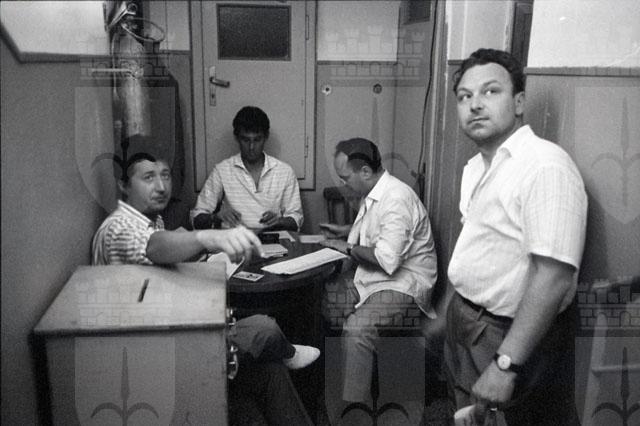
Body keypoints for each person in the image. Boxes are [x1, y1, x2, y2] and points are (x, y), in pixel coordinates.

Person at [91, 146, 318, 425]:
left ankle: (282, 361)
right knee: (265, 328)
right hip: (150, 356)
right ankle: (287, 353)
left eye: (165, 175)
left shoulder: (152, 219)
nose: (161, 186)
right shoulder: (119, 228)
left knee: (271, 371)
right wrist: (209, 237)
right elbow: (152, 246)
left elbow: (158, 258)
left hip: (169, 331)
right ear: (124, 185)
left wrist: (201, 254)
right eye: (148, 177)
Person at [445, 48, 587, 425]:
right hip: (467, 318)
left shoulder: (544, 166)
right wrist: (449, 312)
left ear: (519, 102)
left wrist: (505, 365)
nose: (475, 104)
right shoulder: (476, 167)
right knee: (467, 413)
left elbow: (553, 277)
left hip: (505, 335)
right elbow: (476, 245)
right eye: (465, 96)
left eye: (491, 91)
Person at [319, 138, 438, 403]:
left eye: (345, 177)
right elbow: (378, 232)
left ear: (365, 171)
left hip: (403, 284)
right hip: (376, 278)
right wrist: (346, 232)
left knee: (357, 328)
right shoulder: (374, 191)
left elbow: (387, 259)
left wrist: (348, 247)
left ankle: (354, 406)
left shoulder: (396, 197)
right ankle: (340, 378)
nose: (343, 184)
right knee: (327, 302)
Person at [191, 106, 303, 231]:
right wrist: (216, 218)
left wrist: (279, 221)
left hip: (272, 236)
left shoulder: (284, 172)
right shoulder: (222, 171)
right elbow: (196, 217)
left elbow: (296, 220)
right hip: (234, 238)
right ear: (237, 138)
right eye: (245, 140)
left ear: (266, 137)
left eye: (257, 140)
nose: (251, 147)